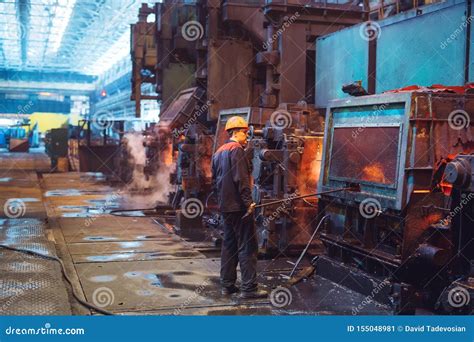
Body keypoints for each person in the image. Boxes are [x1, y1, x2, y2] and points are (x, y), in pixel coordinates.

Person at [211, 116, 267, 299]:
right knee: (248, 246)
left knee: (229, 245)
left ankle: (227, 286)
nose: (247, 137)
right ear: (238, 132)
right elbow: (241, 180)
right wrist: (248, 203)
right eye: (245, 133)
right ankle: (249, 289)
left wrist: (222, 203)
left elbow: (215, 182)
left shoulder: (219, 151)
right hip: (239, 208)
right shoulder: (237, 150)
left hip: (225, 207)